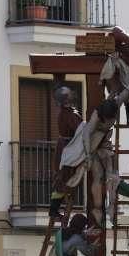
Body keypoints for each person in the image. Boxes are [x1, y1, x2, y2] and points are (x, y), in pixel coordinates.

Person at [49, 99, 119, 226]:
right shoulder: (76, 116)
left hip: (97, 144)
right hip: (82, 146)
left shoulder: (71, 113)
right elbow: (85, 133)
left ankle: (111, 206)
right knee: (68, 178)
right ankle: (55, 210)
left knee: (110, 174)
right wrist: (87, 155)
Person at [49, 86, 83, 221]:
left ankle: (55, 209)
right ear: (66, 99)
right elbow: (79, 128)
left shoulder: (69, 112)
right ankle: (54, 210)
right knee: (63, 178)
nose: (73, 94)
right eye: (69, 94)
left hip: (67, 146)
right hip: (67, 149)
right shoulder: (68, 114)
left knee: (64, 177)